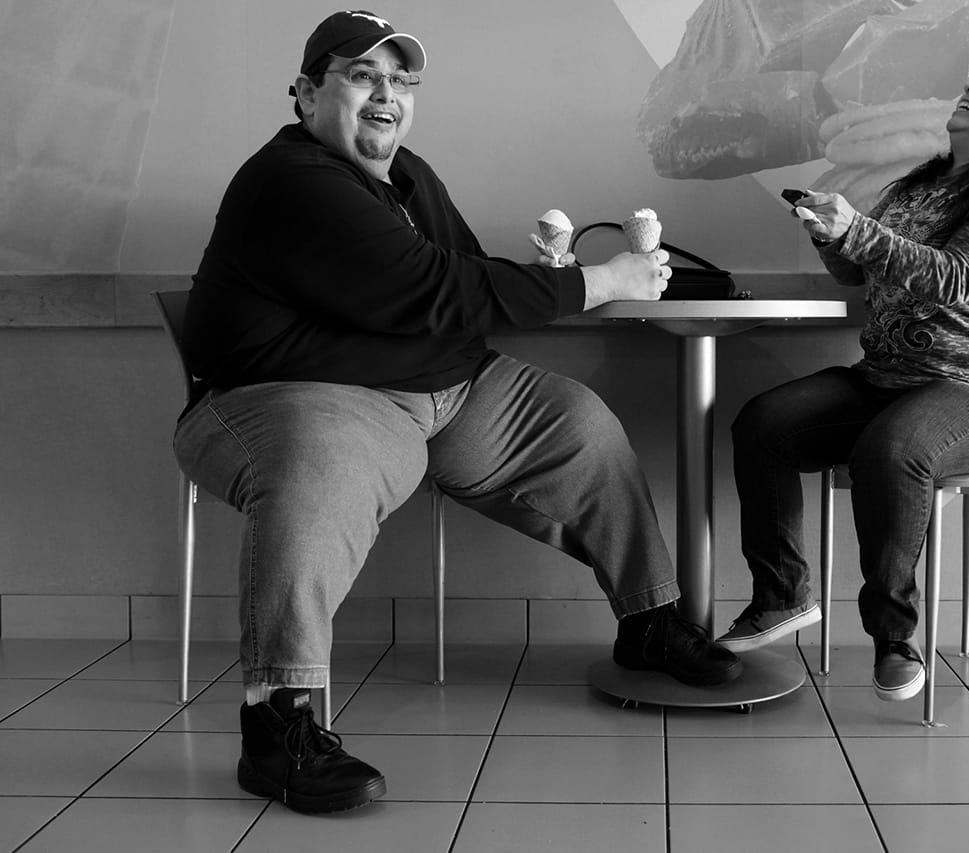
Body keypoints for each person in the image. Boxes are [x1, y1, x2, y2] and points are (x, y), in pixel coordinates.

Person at [173, 9, 742, 815]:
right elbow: (438, 291)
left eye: (402, 82)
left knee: (578, 421)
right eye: (362, 76)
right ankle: (279, 720)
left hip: (444, 393)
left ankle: (647, 620)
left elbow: (466, 277)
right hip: (296, 400)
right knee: (320, 468)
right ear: (304, 94)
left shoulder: (408, 176)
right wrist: (601, 281)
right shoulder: (291, 180)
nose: (386, 96)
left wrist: (545, 273)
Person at [718, 57, 969, 703]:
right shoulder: (919, 185)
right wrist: (833, 235)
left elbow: (955, 278)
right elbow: (859, 274)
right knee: (762, 423)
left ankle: (894, 635)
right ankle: (782, 597)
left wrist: (857, 228)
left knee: (893, 447)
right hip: (879, 381)